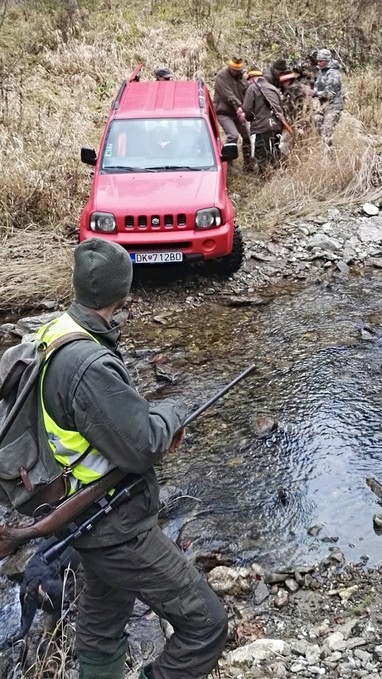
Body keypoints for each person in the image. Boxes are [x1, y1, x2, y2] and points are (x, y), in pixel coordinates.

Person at [35, 238, 228, 679]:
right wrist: (172, 412)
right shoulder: (86, 364)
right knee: (206, 624)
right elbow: (141, 446)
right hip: (113, 525)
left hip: (80, 512)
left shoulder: (55, 332)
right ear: (123, 291)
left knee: (103, 625)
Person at [213, 57, 255, 172]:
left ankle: (248, 165)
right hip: (224, 112)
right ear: (229, 67)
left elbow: (247, 92)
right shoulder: (221, 76)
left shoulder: (242, 77)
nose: (235, 72)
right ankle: (228, 164)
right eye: (233, 69)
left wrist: (247, 108)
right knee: (233, 136)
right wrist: (240, 108)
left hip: (239, 112)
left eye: (238, 70)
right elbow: (228, 95)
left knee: (247, 136)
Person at [242, 66, 284, 173]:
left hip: (262, 128)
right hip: (277, 126)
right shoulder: (273, 88)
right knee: (275, 152)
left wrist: (249, 118)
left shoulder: (252, 88)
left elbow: (247, 109)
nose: (248, 82)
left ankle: (265, 180)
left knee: (262, 156)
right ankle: (277, 176)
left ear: (251, 78)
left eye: (248, 80)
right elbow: (281, 106)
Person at [312, 48, 344, 147]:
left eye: (321, 61)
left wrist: (314, 93)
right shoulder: (322, 72)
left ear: (327, 61)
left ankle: (330, 155)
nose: (319, 62)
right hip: (324, 107)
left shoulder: (333, 73)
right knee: (316, 121)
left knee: (326, 133)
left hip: (333, 107)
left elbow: (330, 93)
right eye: (318, 60)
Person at [278, 71, 313, 155]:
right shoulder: (301, 87)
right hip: (304, 121)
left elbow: (287, 107)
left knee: (284, 145)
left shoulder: (291, 90)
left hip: (296, 122)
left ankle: (286, 164)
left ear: (287, 80)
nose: (282, 84)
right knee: (301, 144)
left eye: (283, 82)